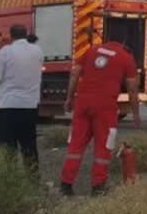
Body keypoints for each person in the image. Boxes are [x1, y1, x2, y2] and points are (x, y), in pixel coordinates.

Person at [60, 39, 142, 196]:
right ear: (125, 46)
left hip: (83, 103)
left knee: (75, 146)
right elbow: (132, 88)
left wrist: (69, 98)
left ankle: (66, 184)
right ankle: (98, 187)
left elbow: (75, 74)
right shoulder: (126, 57)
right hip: (105, 107)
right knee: (103, 147)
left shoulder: (91, 51)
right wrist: (136, 113)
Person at [0, 24, 44, 174]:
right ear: (26, 34)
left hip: (8, 104)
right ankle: (33, 177)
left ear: (10, 36)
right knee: (29, 144)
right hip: (30, 104)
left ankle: (10, 178)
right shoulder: (37, 51)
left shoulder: (5, 51)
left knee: (9, 144)